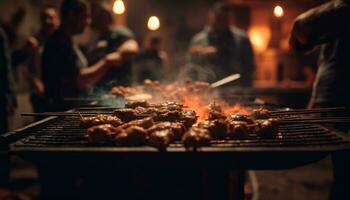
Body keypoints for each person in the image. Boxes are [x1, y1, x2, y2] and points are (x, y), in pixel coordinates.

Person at [289, 1, 350, 199]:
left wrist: (303, 28)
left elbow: (302, 28)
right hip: (334, 94)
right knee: (342, 171)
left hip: (342, 96)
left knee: (345, 174)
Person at [42, 0, 122, 111]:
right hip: (61, 111)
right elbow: (78, 80)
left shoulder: (67, 40)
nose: (88, 22)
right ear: (71, 15)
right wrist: (106, 62)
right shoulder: (59, 42)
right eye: (85, 16)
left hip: (71, 109)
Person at [187, 2, 254, 86]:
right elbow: (190, 68)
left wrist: (218, 52)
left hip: (234, 91)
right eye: (218, 18)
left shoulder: (241, 39)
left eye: (224, 18)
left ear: (229, 18)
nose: (220, 22)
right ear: (210, 16)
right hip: (205, 90)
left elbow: (249, 69)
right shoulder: (198, 40)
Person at [85, 2, 139, 88]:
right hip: (101, 90)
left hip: (120, 88)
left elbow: (132, 47)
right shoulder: (97, 40)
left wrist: (116, 56)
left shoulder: (119, 32)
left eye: (100, 16)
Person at [27, 6, 60, 116]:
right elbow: (29, 68)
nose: (47, 21)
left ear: (57, 20)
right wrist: (38, 84)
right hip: (41, 95)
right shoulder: (35, 42)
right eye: (44, 18)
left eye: (51, 18)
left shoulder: (63, 41)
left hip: (58, 94)